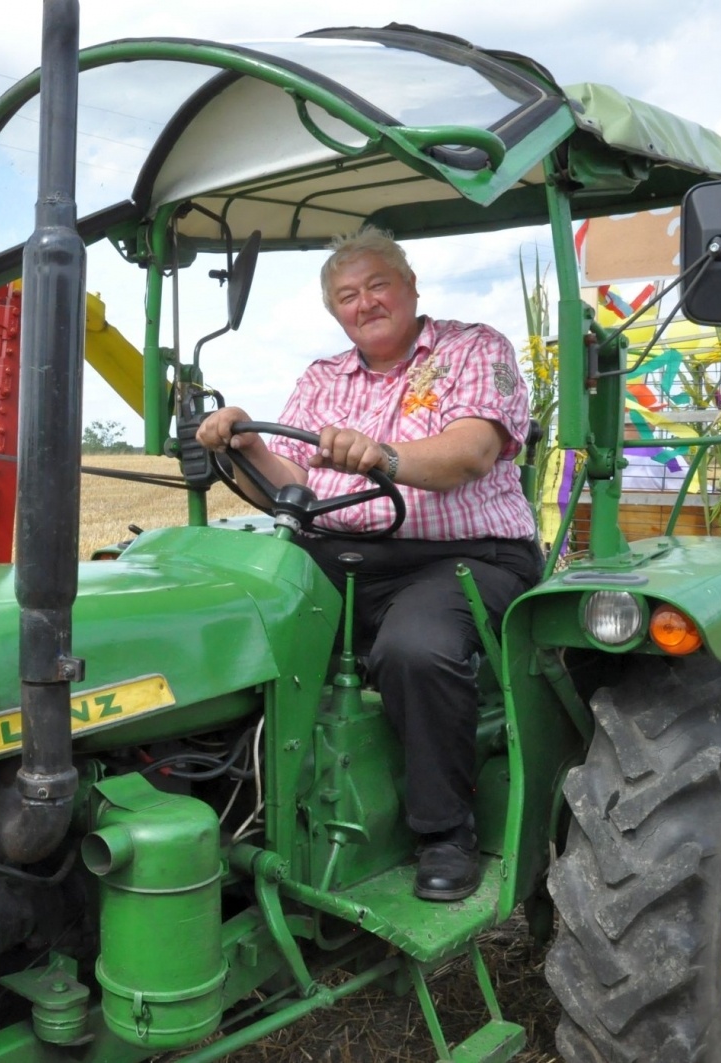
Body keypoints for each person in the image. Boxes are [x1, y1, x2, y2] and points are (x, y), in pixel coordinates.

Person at [196, 227, 540, 902]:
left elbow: (470, 451)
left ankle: (445, 832)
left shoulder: (473, 348)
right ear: (335, 312)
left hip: (465, 557)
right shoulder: (323, 377)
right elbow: (287, 480)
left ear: (411, 288)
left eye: (378, 284)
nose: (365, 302)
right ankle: (242, 814)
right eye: (347, 295)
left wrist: (382, 455)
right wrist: (239, 442)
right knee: (234, 620)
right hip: (341, 556)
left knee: (415, 647)